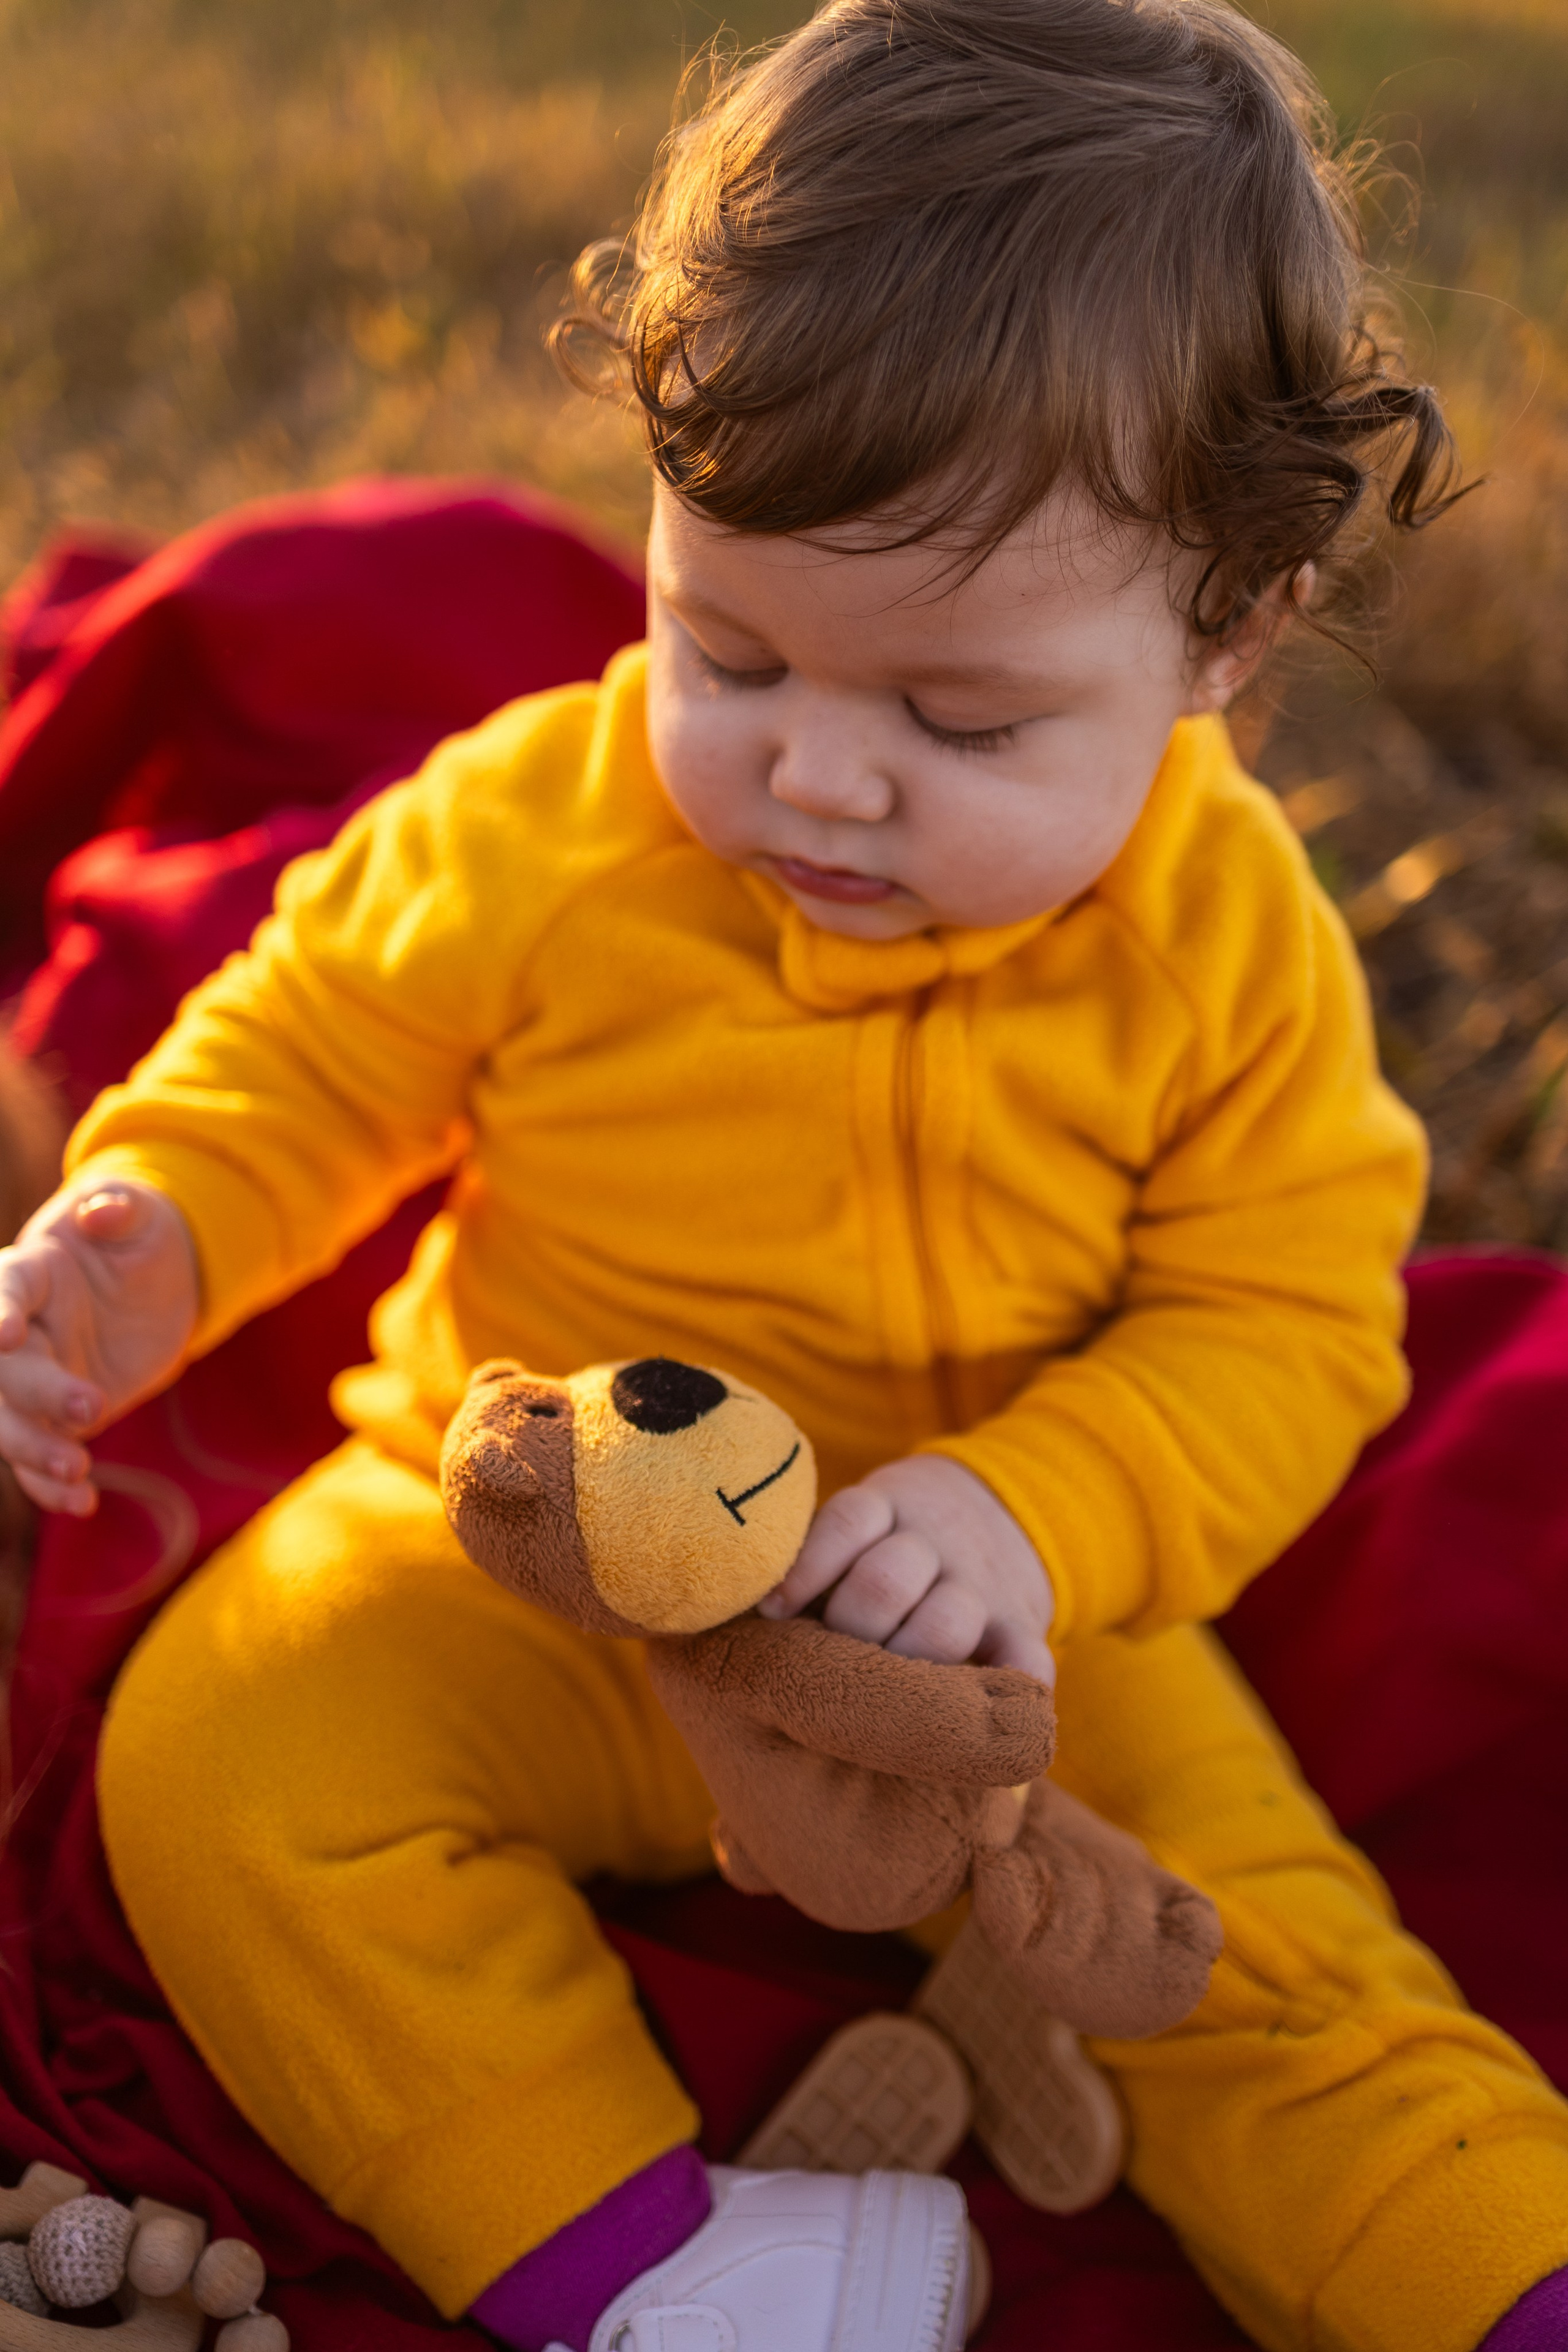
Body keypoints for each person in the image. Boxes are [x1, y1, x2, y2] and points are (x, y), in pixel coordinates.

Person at [1, 3, 1565, 2347]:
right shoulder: (553, 817)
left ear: (1221, 640)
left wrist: (1038, 1514)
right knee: (232, 1755)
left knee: (1251, 1947)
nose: (818, 780)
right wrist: (162, 1225)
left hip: (998, 1638)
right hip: (530, 1546)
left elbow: (1290, 1319)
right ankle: (672, 2269)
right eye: (726, 648)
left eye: (958, 721)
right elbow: (313, 1041)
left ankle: (1481, 2263)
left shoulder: (1226, 950)